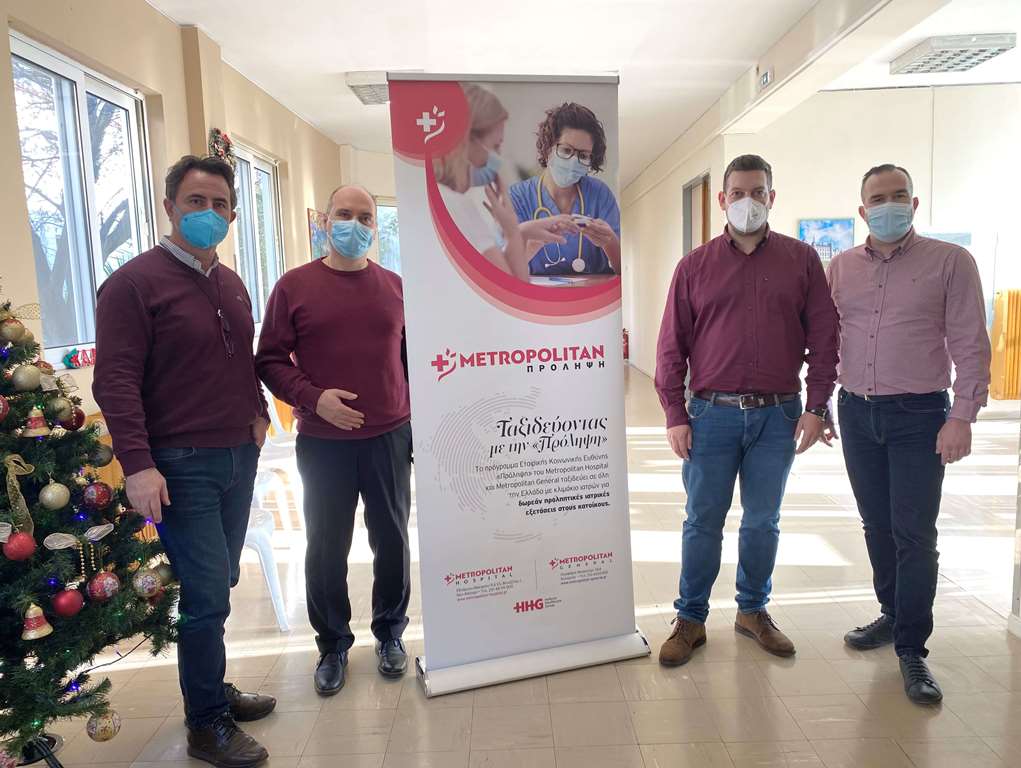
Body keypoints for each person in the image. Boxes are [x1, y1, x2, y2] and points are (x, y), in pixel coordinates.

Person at [94, 155, 275, 768]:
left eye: (220, 204)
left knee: (220, 582)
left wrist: (258, 412)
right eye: (196, 201)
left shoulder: (231, 281)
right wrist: (137, 465)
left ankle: (211, 688)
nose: (209, 213)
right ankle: (206, 724)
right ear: (169, 207)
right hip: (179, 465)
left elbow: (241, 358)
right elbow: (115, 381)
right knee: (205, 594)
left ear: (232, 214)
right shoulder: (133, 285)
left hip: (237, 456)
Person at [655, 154, 839, 666]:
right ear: (722, 200)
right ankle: (690, 618)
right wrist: (675, 414)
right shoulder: (694, 267)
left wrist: (817, 406)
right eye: (737, 193)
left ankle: (753, 611)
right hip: (710, 415)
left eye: (757, 192)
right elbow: (671, 346)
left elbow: (825, 339)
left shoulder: (802, 261)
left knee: (762, 520)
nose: (747, 202)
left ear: (771, 198)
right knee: (702, 521)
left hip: (778, 416)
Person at [828, 164, 991, 705]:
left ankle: (912, 648)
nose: (889, 205)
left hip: (919, 415)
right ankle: (892, 614)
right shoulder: (842, 267)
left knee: (914, 533)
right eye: (878, 198)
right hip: (856, 411)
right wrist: (819, 403)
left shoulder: (950, 262)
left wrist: (962, 415)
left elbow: (971, 342)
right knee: (876, 524)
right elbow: (828, 339)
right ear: (862, 210)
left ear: (914, 204)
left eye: (899, 195)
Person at [255, 185, 413, 697]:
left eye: (365, 216)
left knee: (392, 540)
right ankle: (332, 644)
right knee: (326, 545)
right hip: (324, 443)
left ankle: (390, 633)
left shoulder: (395, 287)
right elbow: (269, 360)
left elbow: (412, 361)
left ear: (375, 226)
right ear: (325, 221)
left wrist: (417, 427)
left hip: (389, 436)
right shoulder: (294, 287)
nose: (355, 224)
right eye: (344, 214)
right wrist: (312, 397)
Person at [509, 102, 621, 278]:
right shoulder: (518, 197)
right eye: (566, 150)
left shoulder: (600, 194)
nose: (573, 161)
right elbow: (505, 271)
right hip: (535, 295)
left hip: (596, 294)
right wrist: (533, 242)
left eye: (583, 155)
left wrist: (610, 242)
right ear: (548, 148)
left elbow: (624, 269)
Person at [435, 84, 526, 276]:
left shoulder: (439, 198)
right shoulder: (456, 205)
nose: (497, 158)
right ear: (467, 140)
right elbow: (511, 290)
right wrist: (512, 232)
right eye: (496, 145)